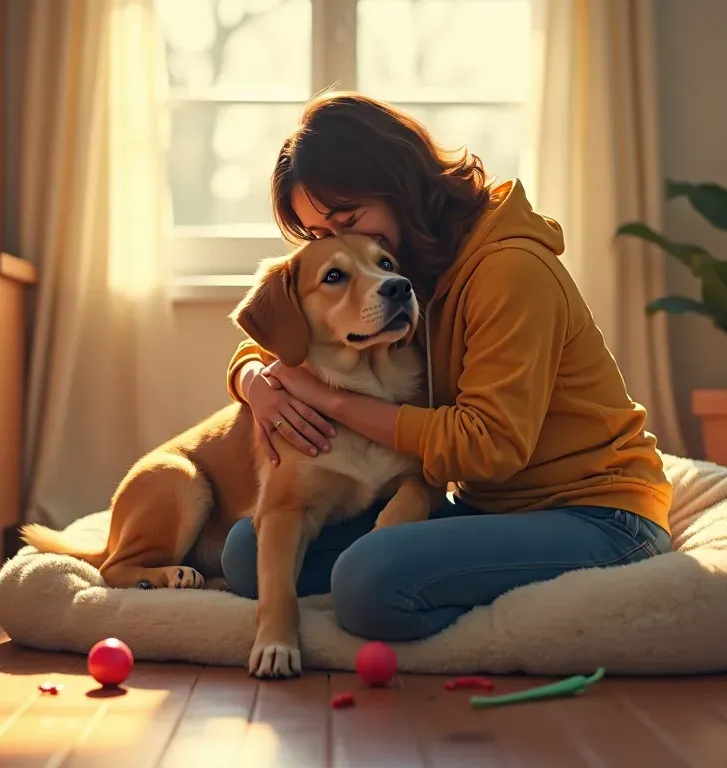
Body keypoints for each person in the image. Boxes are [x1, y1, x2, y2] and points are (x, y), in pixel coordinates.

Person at [219, 92, 673, 643]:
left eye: (349, 218)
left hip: (598, 515)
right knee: (247, 553)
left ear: (397, 180)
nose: (341, 241)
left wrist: (333, 402)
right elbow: (291, 329)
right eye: (320, 235)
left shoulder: (509, 270)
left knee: (369, 581)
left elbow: (490, 446)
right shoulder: (404, 270)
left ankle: (515, 627)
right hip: (490, 509)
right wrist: (253, 383)